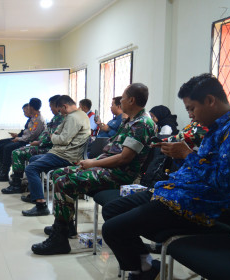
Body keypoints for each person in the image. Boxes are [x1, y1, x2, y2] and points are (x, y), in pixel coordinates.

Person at [102, 73, 230, 280]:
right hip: (173, 190)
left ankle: (142, 270)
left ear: (210, 100)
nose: (191, 115)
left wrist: (187, 154)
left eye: (192, 108)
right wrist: (181, 153)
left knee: (112, 229)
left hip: (196, 204)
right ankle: (146, 266)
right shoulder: (213, 127)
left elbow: (224, 183)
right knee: (112, 210)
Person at [31, 83, 156, 255]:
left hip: (119, 174)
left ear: (132, 100)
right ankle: (66, 226)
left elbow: (124, 158)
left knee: (64, 181)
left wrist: (93, 164)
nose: (121, 102)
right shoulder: (130, 121)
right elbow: (112, 150)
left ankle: (60, 239)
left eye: (124, 98)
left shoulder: (142, 124)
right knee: (60, 173)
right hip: (107, 167)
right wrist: (91, 161)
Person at [21, 95, 90, 216]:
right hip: (62, 152)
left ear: (65, 106)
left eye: (60, 111)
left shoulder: (73, 118)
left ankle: (41, 205)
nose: (60, 114)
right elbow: (58, 131)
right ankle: (36, 193)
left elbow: (62, 139)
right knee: (33, 159)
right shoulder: (79, 115)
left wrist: (54, 137)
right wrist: (56, 136)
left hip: (65, 155)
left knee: (31, 168)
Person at [1, 95, 63, 194]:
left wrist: (38, 142)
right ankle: (16, 181)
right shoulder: (55, 118)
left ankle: (17, 184)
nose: (50, 109)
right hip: (42, 144)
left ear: (58, 106)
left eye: (51, 106)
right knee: (11, 149)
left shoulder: (60, 119)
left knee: (17, 153)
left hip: (48, 148)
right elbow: (46, 134)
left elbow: (51, 137)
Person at [0, 98, 46, 182]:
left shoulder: (38, 119)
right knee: (3, 145)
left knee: (8, 148)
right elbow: (27, 132)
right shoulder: (34, 117)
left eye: (28, 106)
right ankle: (2, 170)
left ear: (31, 107)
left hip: (30, 143)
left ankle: (4, 174)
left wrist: (19, 138)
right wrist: (18, 137)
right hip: (24, 140)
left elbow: (31, 136)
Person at [0, 103, 31, 173]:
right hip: (21, 138)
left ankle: (4, 169)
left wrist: (18, 138)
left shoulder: (35, 120)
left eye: (25, 111)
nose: (24, 113)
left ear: (29, 110)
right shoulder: (29, 120)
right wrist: (17, 135)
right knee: (0, 142)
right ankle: (0, 164)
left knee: (6, 147)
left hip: (25, 141)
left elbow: (30, 135)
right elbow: (25, 132)